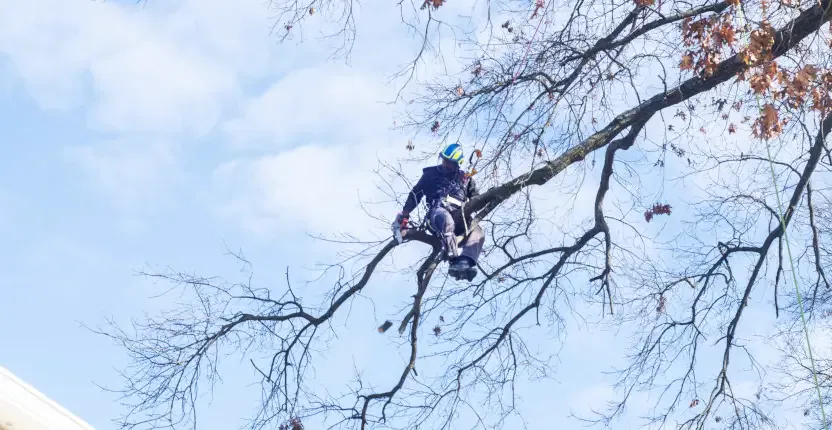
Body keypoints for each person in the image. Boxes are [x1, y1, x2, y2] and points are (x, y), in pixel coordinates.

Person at [394, 143, 485, 281]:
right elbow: (415, 194)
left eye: (448, 162)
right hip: (437, 214)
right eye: (444, 160)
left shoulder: (465, 179)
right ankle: (453, 259)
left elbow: (477, 199)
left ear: (456, 163)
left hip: (460, 216)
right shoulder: (430, 174)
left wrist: (487, 198)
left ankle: (465, 261)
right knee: (446, 220)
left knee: (477, 231)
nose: (445, 164)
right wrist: (405, 213)